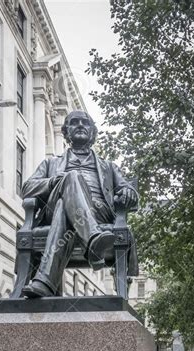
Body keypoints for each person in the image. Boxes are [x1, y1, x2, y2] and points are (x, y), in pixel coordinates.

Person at [20, 110, 138, 298]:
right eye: (74, 122)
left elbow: (130, 191)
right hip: (63, 212)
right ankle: (93, 239)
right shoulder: (51, 164)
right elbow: (27, 189)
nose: (80, 125)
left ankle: (44, 282)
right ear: (66, 132)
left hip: (98, 213)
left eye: (85, 123)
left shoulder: (108, 166)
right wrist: (52, 182)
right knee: (71, 179)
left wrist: (127, 192)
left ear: (92, 132)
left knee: (62, 208)